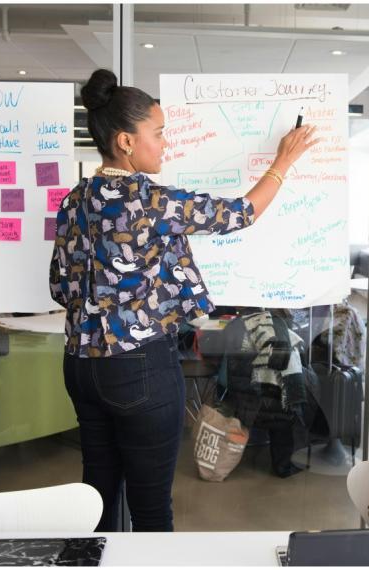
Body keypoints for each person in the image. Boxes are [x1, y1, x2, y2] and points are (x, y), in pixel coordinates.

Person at [49, 68, 319, 531]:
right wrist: (283, 161)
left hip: (80, 365)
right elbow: (240, 213)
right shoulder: (150, 201)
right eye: (158, 133)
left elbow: (59, 286)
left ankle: (95, 560)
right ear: (126, 141)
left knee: (98, 498)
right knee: (151, 509)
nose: (165, 144)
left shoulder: (73, 201)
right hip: (139, 369)